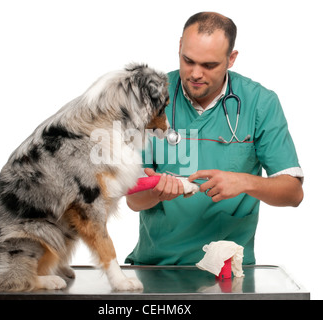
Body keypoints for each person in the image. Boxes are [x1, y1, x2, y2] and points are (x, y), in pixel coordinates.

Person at [125, 12, 304, 265]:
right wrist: (156, 193)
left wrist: (244, 182)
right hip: (157, 266)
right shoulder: (148, 99)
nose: (196, 73)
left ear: (231, 59)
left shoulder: (260, 103)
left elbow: (293, 193)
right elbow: (133, 199)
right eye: (188, 60)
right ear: (179, 47)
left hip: (227, 272)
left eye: (209, 65)